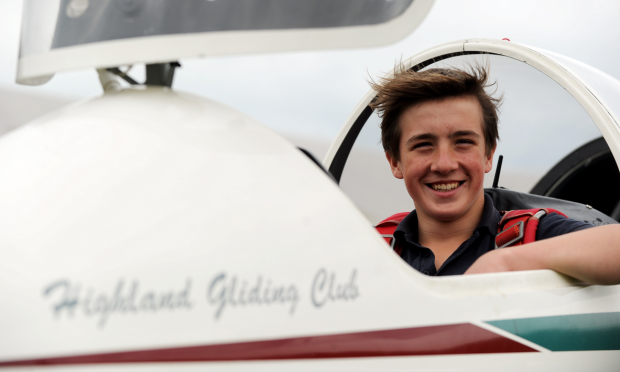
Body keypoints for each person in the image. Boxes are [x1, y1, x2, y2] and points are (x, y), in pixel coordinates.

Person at [370, 64, 620, 285]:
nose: (444, 165)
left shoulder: (531, 234)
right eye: (423, 145)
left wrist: (506, 262)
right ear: (395, 162)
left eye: (463, 142)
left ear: (488, 155)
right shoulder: (368, 247)